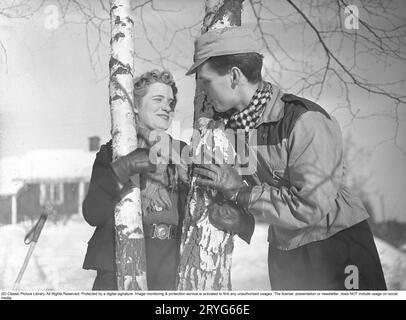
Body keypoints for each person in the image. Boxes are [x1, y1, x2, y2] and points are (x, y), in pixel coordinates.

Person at [186, 26, 387, 290]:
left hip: (336, 248)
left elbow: (309, 206)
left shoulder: (305, 120)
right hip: (285, 253)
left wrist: (239, 192)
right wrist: (242, 218)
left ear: (234, 76)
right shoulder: (230, 129)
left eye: (205, 81)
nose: (200, 90)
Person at [82, 70, 188, 290]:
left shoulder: (184, 153)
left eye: (170, 102)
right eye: (157, 99)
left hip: (169, 266)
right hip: (118, 266)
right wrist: (122, 169)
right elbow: (92, 213)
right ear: (136, 106)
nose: (167, 107)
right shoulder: (114, 152)